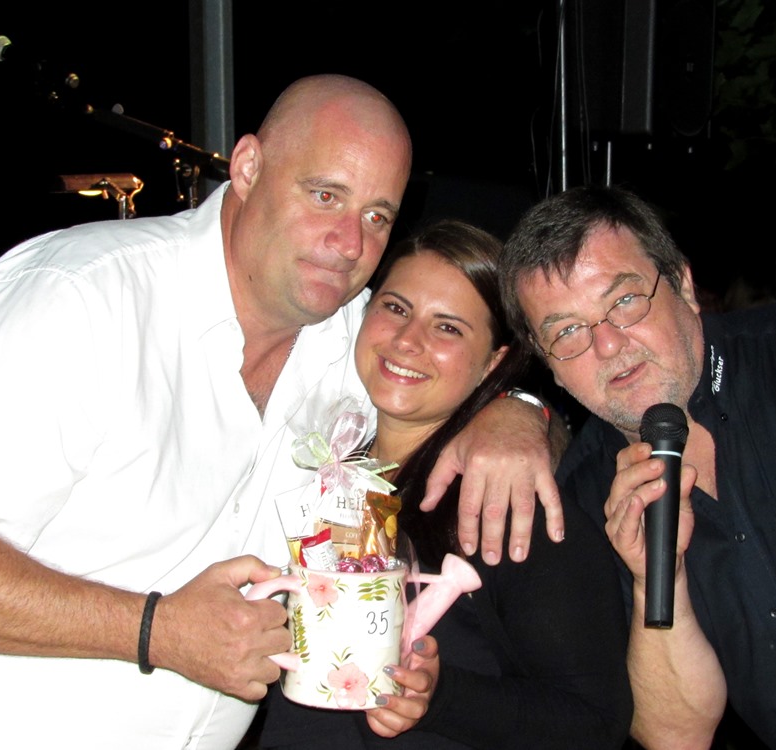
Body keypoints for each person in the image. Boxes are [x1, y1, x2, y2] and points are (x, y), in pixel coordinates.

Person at [0, 75, 562, 750]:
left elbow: (460, 371)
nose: (349, 243)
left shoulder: (352, 340)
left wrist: (520, 411)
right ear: (247, 167)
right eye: (325, 195)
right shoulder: (78, 302)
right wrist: (155, 630)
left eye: (376, 217)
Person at [499, 184, 776, 749]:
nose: (607, 345)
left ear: (683, 285)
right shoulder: (582, 506)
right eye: (567, 331)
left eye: (624, 301)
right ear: (550, 368)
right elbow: (676, 736)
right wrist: (656, 583)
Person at [260, 220, 633, 749]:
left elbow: (596, 723)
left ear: (493, 362)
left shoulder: (509, 507)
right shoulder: (326, 468)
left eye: (448, 328)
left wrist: (441, 697)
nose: (407, 341)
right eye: (396, 308)